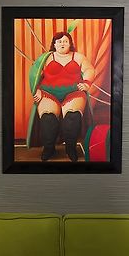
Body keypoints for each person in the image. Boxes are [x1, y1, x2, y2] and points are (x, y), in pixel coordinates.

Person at [33, 32, 95, 162]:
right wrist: (36, 89)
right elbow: (35, 75)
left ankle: (70, 148)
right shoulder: (46, 58)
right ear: (54, 44)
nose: (62, 43)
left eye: (65, 41)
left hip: (73, 92)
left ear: (70, 43)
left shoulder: (78, 57)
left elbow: (89, 70)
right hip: (48, 93)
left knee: (73, 116)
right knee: (48, 117)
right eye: (59, 41)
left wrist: (86, 83)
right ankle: (49, 149)